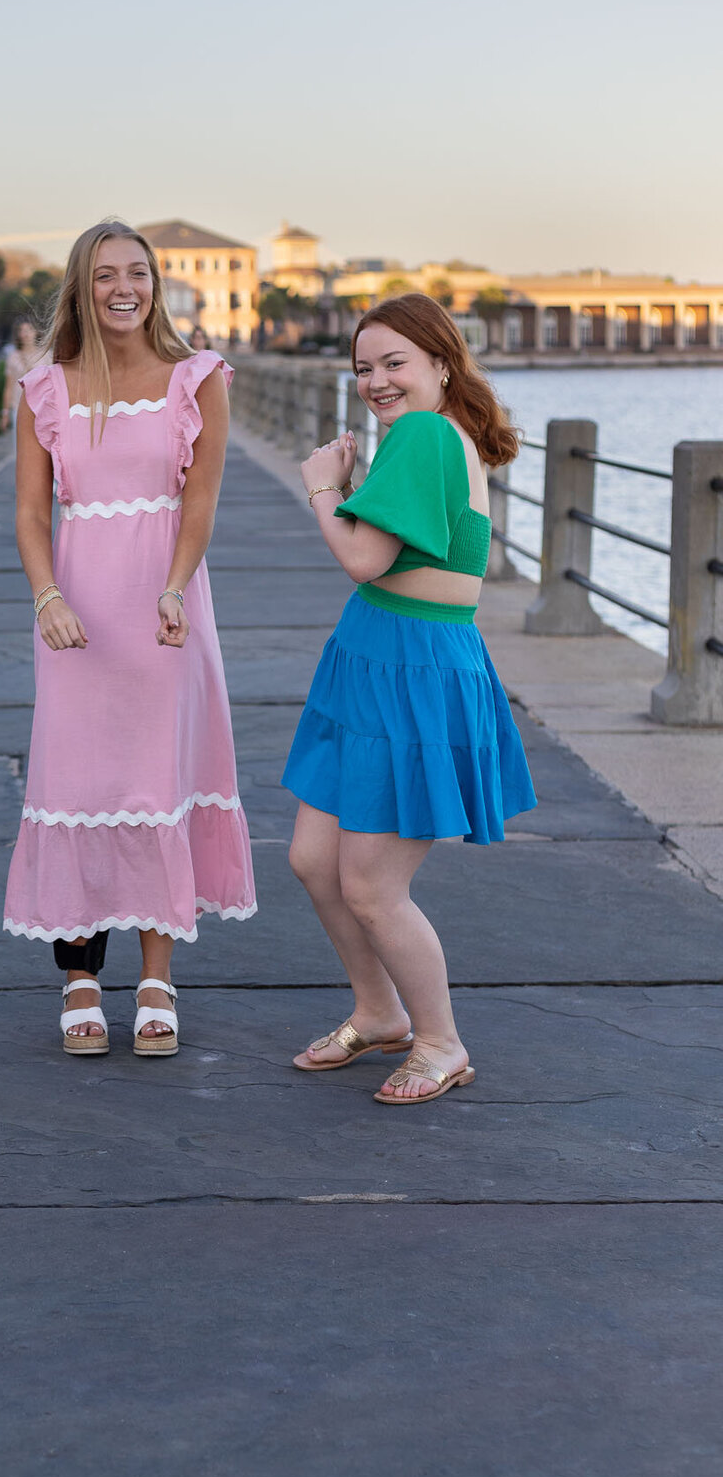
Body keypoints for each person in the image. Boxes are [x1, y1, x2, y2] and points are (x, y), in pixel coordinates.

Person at [4, 219, 256, 1055]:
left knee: (155, 781)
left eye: (138, 273)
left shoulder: (198, 379)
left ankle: (157, 975)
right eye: (107, 273)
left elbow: (202, 503)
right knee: (75, 782)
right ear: (82, 285)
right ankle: (78, 977)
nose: (124, 287)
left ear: (156, 284)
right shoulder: (46, 388)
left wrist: (176, 586)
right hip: (76, 611)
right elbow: (32, 514)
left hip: (164, 609)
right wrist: (46, 596)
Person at [282, 292, 535, 1104]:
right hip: (373, 660)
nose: (377, 381)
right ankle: (378, 1011)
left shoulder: (425, 434)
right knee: (314, 862)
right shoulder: (418, 436)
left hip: (414, 668)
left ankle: (441, 1041)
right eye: (363, 367)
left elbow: (361, 557)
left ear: (440, 361)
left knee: (372, 886)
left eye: (395, 363)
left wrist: (323, 485)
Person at [0, 317, 43, 432]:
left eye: (29, 329)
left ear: (36, 332)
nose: (26, 334)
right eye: (22, 330)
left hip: (42, 408)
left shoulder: (47, 355)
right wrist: (5, 413)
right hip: (19, 407)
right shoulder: (13, 357)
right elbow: (9, 387)